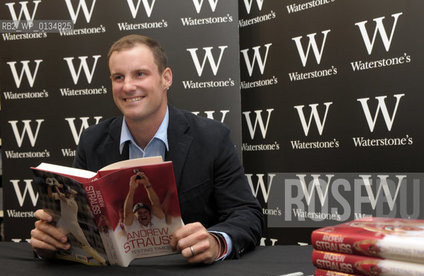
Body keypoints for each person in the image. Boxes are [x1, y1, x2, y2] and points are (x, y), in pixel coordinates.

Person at [30, 34, 263, 264]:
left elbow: (247, 214)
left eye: (140, 74)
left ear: (166, 78)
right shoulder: (92, 141)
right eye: (118, 77)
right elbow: (79, 227)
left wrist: (216, 241)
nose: (128, 86)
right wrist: (51, 242)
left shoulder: (212, 137)